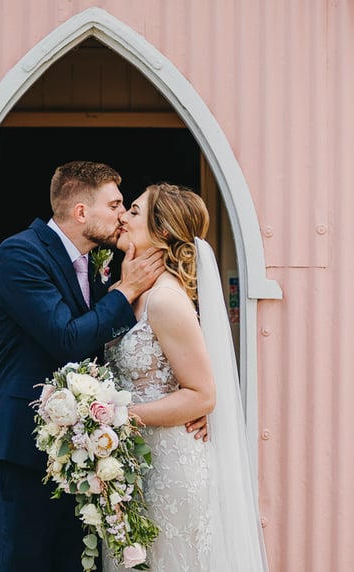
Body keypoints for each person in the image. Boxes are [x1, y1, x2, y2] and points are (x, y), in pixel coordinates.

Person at [0, 161, 207, 572]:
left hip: (94, 455)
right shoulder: (20, 254)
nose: (122, 215)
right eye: (115, 205)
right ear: (81, 212)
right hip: (25, 448)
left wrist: (189, 403)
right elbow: (66, 339)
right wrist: (125, 289)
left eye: (128, 207)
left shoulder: (106, 266)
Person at [104, 183, 270, 571]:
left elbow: (202, 395)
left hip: (170, 467)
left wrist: (119, 417)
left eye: (133, 210)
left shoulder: (165, 300)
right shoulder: (125, 293)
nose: (123, 217)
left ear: (162, 230)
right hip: (134, 464)